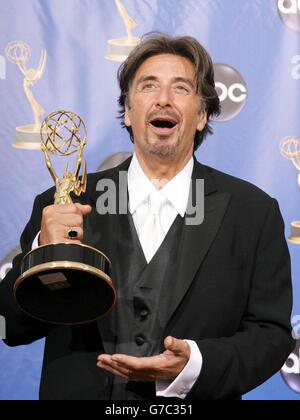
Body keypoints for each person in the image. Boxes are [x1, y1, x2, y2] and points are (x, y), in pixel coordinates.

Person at [0, 34, 295, 400]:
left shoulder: (253, 212)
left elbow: (271, 334)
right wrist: (44, 253)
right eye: (148, 86)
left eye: (181, 88)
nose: (163, 99)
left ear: (202, 115)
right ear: (127, 109)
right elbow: (12, 327)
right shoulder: (62, 204)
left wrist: (194, 365)